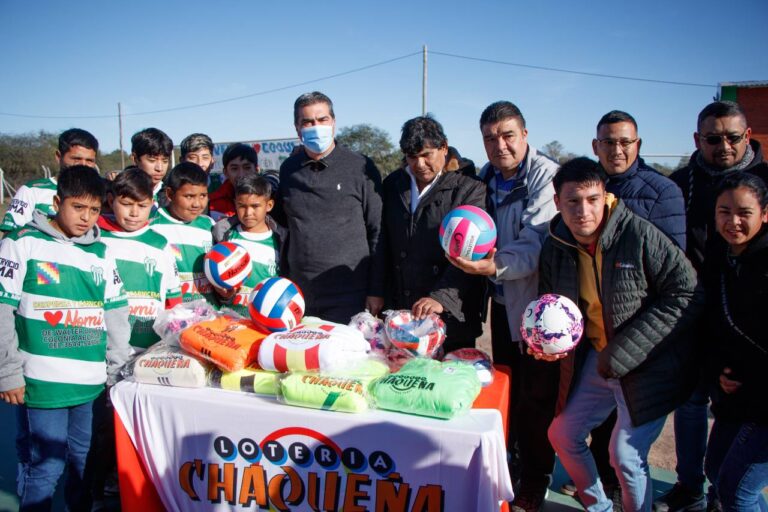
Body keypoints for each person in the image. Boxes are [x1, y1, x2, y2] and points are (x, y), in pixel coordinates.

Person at [540, 157, 701, 512]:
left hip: (648, 362)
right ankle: (599, 507)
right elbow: (551, 305)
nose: (584, 211)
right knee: (562, 435)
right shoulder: (556, 244)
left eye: (592, 199)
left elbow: (687, 293)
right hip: (599, 358)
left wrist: (627, 350)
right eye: (573, 201)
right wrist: (549, 344)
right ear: (557, 203)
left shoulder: (638, 234)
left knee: (625, 455)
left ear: (605, 196)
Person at [447, 100, 559, 510]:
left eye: (508, 135)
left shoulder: (545, 178)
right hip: (500, 298)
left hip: (536, 307)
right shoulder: (483, 179)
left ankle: (536, 478)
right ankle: (506, 467)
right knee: (508, 385)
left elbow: (534, 245)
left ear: (525, 135)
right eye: (490, 138)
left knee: (537, 397)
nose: (500, 146)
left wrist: (490, 265)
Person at [656, 101, 768, 512]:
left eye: (733, 137)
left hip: (749, 327)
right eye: (713, 137)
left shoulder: (764, 182)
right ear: (696, 139)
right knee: (696, 404)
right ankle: (691, 486)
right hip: (703, 316)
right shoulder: (682, 183)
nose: (724, 145)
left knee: (739, 478)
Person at [0, 165, 132, 511]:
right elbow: (2, 311)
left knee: (83, 462)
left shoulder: (102, 253)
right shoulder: (21, 243)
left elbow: (116, 316)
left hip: (90, 385)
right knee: (45, 466)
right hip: (42, 384)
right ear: (57, 201)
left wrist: (115, 373)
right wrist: (9, 371)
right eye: (77, 207)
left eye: (93, 209)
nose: (86, 217)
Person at [375, 115, 485, 352]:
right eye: (412, 157)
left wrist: (441, 298)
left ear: (443, 147)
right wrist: (377, 291)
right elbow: (381, 242)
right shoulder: (393, 185)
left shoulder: (469, 189)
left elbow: (471, 254)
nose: (420, 164)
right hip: (401, 313)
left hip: (451, 316)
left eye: (427, 155)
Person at [275, 91, 383, 323]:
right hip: (299, 295)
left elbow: (378, 230)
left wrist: (376, 289)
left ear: (333, 122)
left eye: (322, 120)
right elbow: (284, 226)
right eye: (308, 122)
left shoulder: (360, 166)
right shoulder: (288, 170)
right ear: (297, 128)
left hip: (349, 295)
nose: (316, 126)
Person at [704, 172, 768, 511]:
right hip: (737, 394)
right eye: (724, 212)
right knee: (715, 470)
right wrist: (722, 372)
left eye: (744, 212)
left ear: (765, 213)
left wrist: (746, 376)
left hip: (762, 396)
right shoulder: (720, 257)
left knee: (736, 489)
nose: (733, 221)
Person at [99, 168, 182, 350]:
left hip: (151, 349)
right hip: (107, 349)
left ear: (152, 204)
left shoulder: (160, 244)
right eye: (127, 204)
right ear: (112, 201)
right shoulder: (97, 239)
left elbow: (173, 300)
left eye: (142, 206)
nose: (134, 213)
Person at [212, 174, 284, 317]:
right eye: (242, 206)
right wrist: (225, 296)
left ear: (269, 205)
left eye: (255, 206)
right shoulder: (225, 235)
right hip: (230, 322)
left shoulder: (281, 240)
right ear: (235, 204)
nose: (248, 213)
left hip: (265, 326)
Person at [1, 128, 99, 232]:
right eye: (76, 159)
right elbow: (10, 236)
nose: (83, 165)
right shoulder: (31, 191)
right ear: (58, 156)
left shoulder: (102, 191)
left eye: (89, 160)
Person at [150, 162, 215, 304]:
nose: (197, 204)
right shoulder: (153, 225)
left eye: (203, 195)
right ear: (170, 194)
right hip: (173, 316)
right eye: (189, 196)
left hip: (209, 315)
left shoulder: (209, 225)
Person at [209, 143, 259, 220]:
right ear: (226, 172)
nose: (241, 175)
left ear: (256, 170)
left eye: (247, 168)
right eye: (234, 169)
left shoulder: (270, 198)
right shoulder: (213, 204)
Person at [129, 127, 173, 207]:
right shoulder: (120, 192)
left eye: (165, 161)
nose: (159, 168)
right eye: (152, 160)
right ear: (135, 158)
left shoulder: (174, 194)